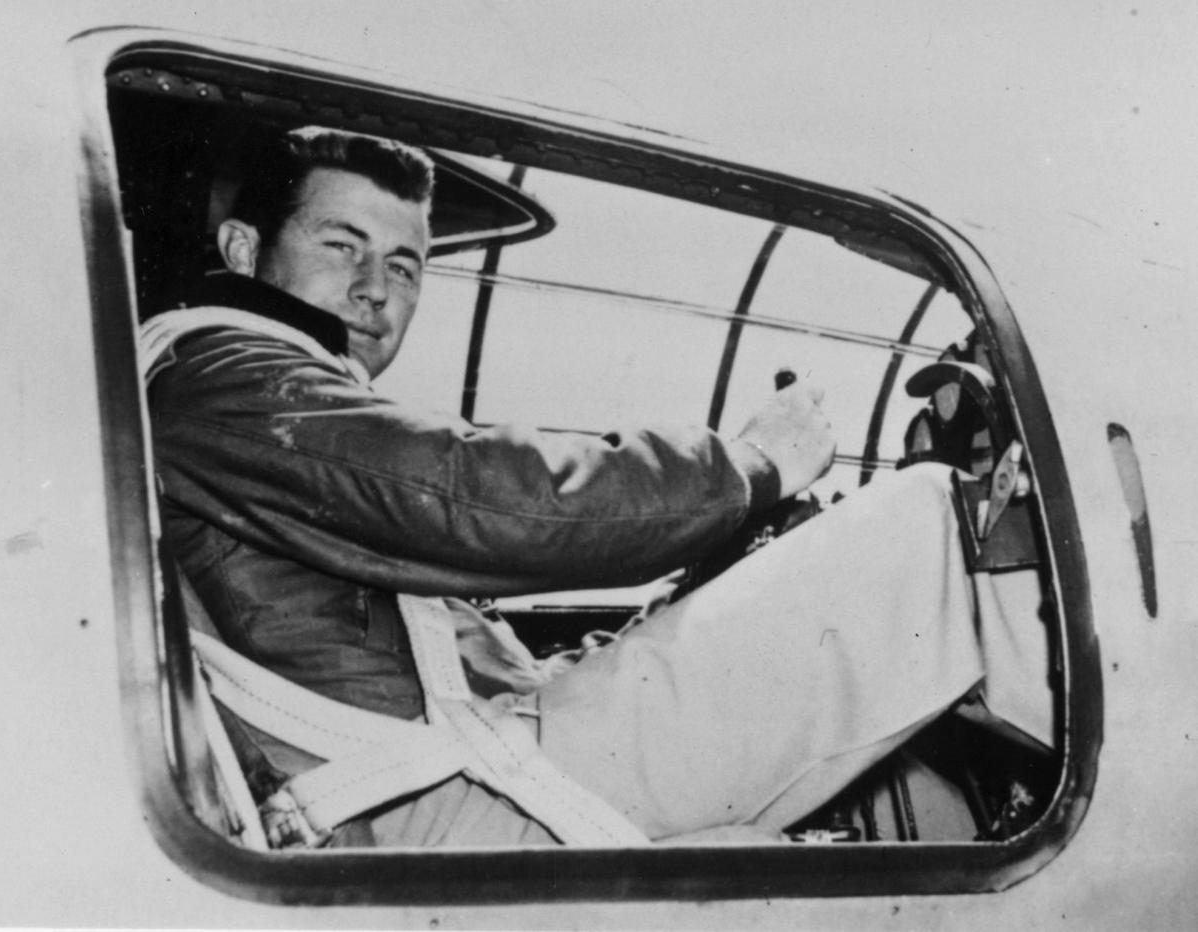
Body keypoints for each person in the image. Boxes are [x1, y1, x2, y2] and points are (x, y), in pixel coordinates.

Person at [141, 126, 1053, 847]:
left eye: (406, 263)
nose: (375, 290)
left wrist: (694, 587)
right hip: (440, 795)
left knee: (865, 831)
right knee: (934, 523)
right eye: (342, 245)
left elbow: (464, 644)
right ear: (242, 246)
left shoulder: (274, 394)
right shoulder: (225, 373)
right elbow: (489, 499)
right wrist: (753, 466)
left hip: (457, 760)